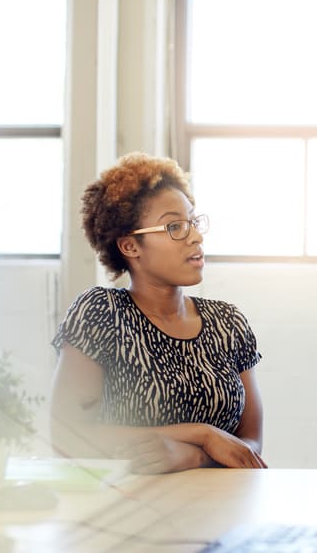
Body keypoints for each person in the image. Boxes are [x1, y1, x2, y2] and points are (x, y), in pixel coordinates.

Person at [49, 152, 266, 473]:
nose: (196, 236)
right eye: (175, 226)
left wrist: (194, 456)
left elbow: (250, 446)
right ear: (130, 246)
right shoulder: (101, 313)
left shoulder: (227, 323)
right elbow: (68, 436)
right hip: (135, 500)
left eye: (193, 222)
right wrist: (202, 434)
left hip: (227, 498)